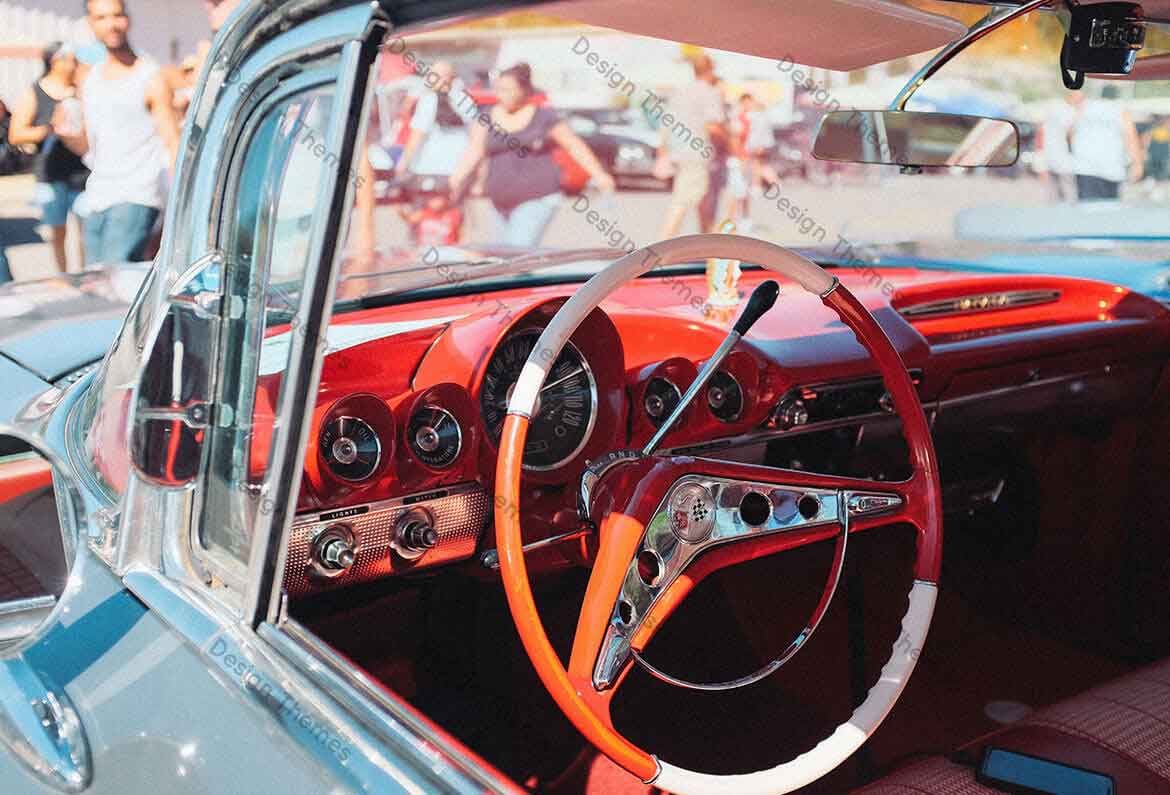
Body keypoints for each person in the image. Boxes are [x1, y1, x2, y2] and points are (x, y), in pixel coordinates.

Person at [57, 0, 181, 265]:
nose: (111, 24)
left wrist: (178, 208)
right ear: (90, 24)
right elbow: (88, 147)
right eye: (101, 17)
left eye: (117, 15)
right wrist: (66, 135)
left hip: (138, 195)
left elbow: (173, 143)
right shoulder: (91, 80)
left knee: (116, 276)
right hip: (98, 195)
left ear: (128, 19)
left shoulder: (149, 77)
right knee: (95, 279)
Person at [449, 63, 614, 247]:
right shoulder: (486, 117)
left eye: (508, 90)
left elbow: (573, 145)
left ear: (524, 90)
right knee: (501, 255)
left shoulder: (543, 117)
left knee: (517, 251)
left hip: (537, 197)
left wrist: (599, 175)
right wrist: (456, 179)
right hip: (499, 204)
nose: (501, 94)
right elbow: (475, 151)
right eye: (499, 89)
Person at [7, 43, 90, 271]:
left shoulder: (81, 90)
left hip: (83, 171)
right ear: (55, 61)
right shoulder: (35, 92)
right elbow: (16, 134)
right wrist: (50, 129)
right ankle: (63, 275)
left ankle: (84, 276)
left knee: (86, 229)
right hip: (51, 173)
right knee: (58, 230)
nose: (75, 64)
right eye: (70, 59)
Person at [654, 53, 728, 238]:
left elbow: (665, 124)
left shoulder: (680, 92)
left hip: (679, 151)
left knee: (702, 199)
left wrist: (662, 150)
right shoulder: (710, 93)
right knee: (682, 200)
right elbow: (713, 126)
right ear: (710, 70)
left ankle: (708, 243)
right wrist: (728, 139)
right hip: (698, 153)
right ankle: (661, 246)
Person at [394, 61, 477, 178]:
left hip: (428, 168)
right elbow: (475, 136)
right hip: (458, 169)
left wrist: (402, 164)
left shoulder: (429, 99)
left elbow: (417, 135)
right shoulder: (465, 99)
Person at [1070, 87, 1143, 202]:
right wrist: (1137, 164)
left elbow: (1071, 132)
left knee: (1087, 208)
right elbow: (1131, 138)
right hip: (1112, 168)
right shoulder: (1120, 110)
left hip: (1085, 168)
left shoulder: (1085, 107)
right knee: (1109, 209)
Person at [1037, 95, 1077, 202]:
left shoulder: (1049, 116)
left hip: (1050, 157)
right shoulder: (1067, 112)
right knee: (1068, 191)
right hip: (1062, 158)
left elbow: (1040, 137)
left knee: (1052, 193)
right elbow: (1070, 133)